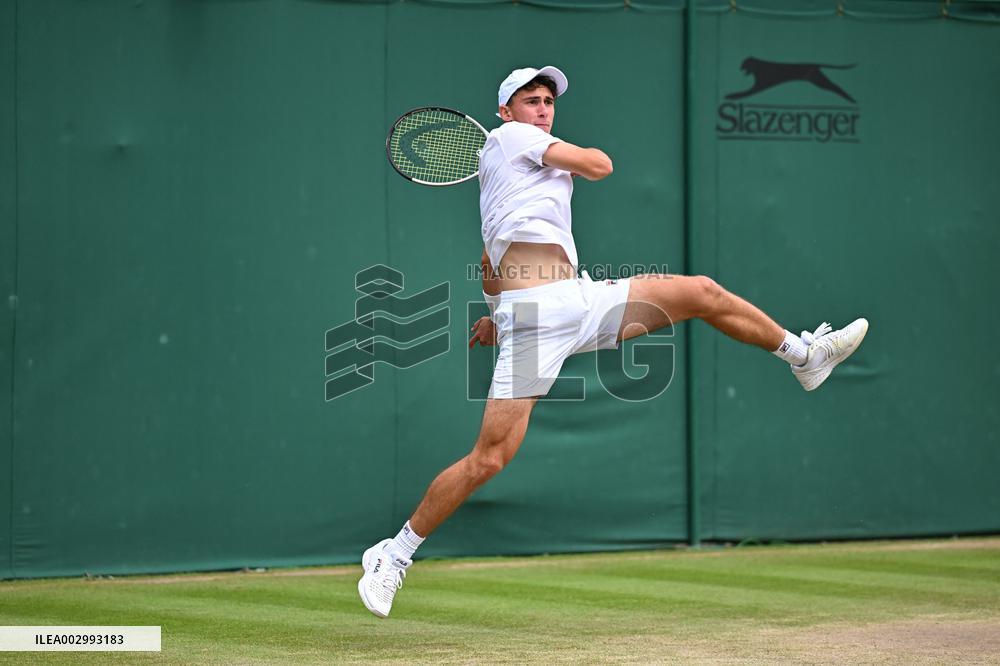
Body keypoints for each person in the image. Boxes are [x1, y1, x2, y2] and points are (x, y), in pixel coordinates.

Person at [358, 65, 868, 618]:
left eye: (548, 100)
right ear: (505, 113)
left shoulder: (505, 173)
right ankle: (394, 553)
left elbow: (489, 263)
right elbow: (600, 165)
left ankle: (803, 356)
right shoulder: (513, 138)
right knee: (490, 459)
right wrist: (509, 315)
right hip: (535, 320)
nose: (544, 108)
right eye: (531, 100)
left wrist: (494, 314)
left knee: (700, 291)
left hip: (576, 300)